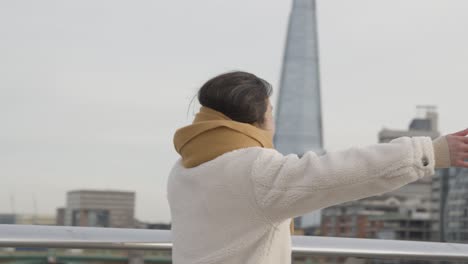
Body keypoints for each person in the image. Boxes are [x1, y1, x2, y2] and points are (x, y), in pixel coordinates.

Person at [167, 71, 468, 264]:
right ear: (256, 120)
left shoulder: (183, 170)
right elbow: (339, 173)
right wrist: (430, 152)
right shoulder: (254, 171)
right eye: (271, 112)